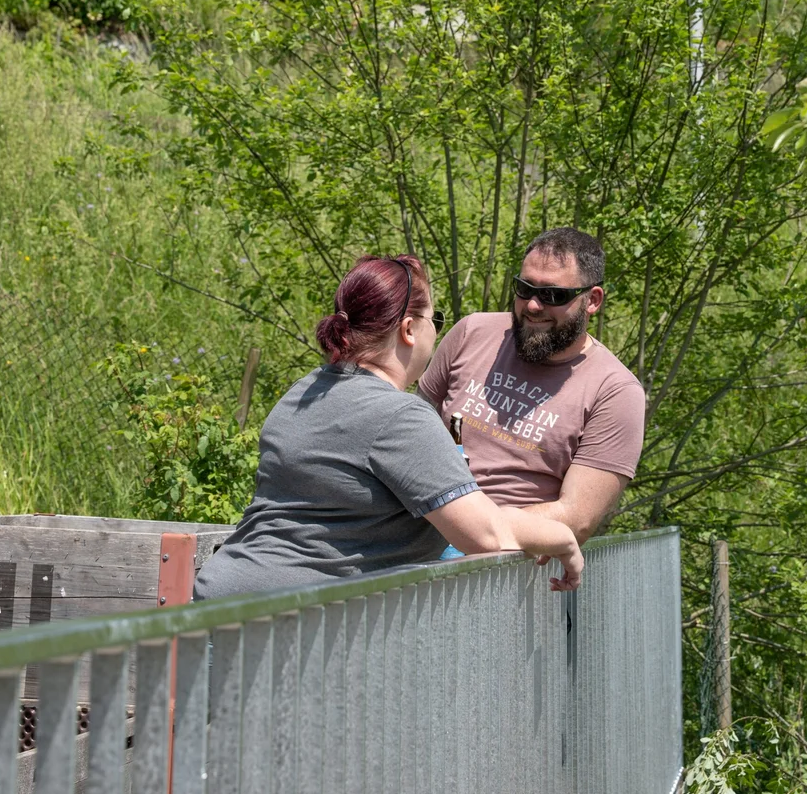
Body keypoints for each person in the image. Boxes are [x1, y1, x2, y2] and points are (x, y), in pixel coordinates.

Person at [193, 254, 583, 601]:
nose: (436, 333)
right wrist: (562, 538)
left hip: (217, 604)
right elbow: (486, 535)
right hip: (290, 624)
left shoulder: (305, 390)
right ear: (409, 329)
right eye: (435, 320)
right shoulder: (400, 417)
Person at [417, 228, 645, 543]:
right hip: (417, 528)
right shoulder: (472, 332)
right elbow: (411, 428)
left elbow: (577, 518)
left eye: (553, 295)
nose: (534, 306)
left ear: (592, 300)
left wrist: (469, 528)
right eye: (524, 289)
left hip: (511, 555)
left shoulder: (616, 392)